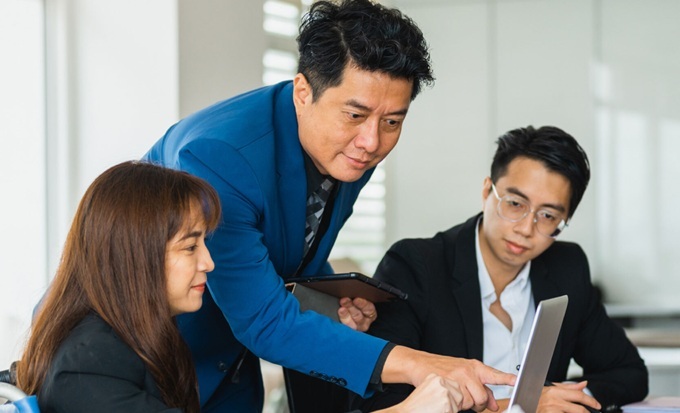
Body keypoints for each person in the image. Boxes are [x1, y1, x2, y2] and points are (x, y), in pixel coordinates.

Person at [143, 0, 514, 411]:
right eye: (355, 115)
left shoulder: (347, 147)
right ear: (304, 92)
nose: (372, 142)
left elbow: (292, 252)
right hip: (159, 365)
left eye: (392, 122)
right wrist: (418, 364)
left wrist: (329, 301)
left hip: (233, 373)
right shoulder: (219, 157)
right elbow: (263, 318)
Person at [352, 126, 649, 413]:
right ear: (487, 191)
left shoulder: (567, 267)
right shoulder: (416, 266)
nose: (525, 228)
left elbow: (628, 373)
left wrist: (563, 401)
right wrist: (524, 407)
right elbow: (384, 404)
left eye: (548, 216)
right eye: (515, 204)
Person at [16, 161, 222, 412]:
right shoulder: (89, 364)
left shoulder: (136, 338)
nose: (208, 263)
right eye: (190, 247)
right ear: (136, 255)